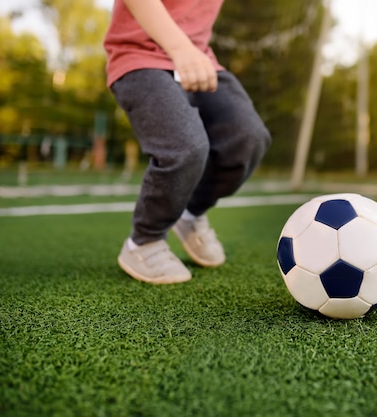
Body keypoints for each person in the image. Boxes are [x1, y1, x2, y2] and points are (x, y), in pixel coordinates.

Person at [103, 0, 271, 284]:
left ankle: (190, 213)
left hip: (201, 59)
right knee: (186, 147)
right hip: (140, 56)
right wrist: (179, 48)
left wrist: (189, 52)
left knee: (248, 138)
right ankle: (143, 242)